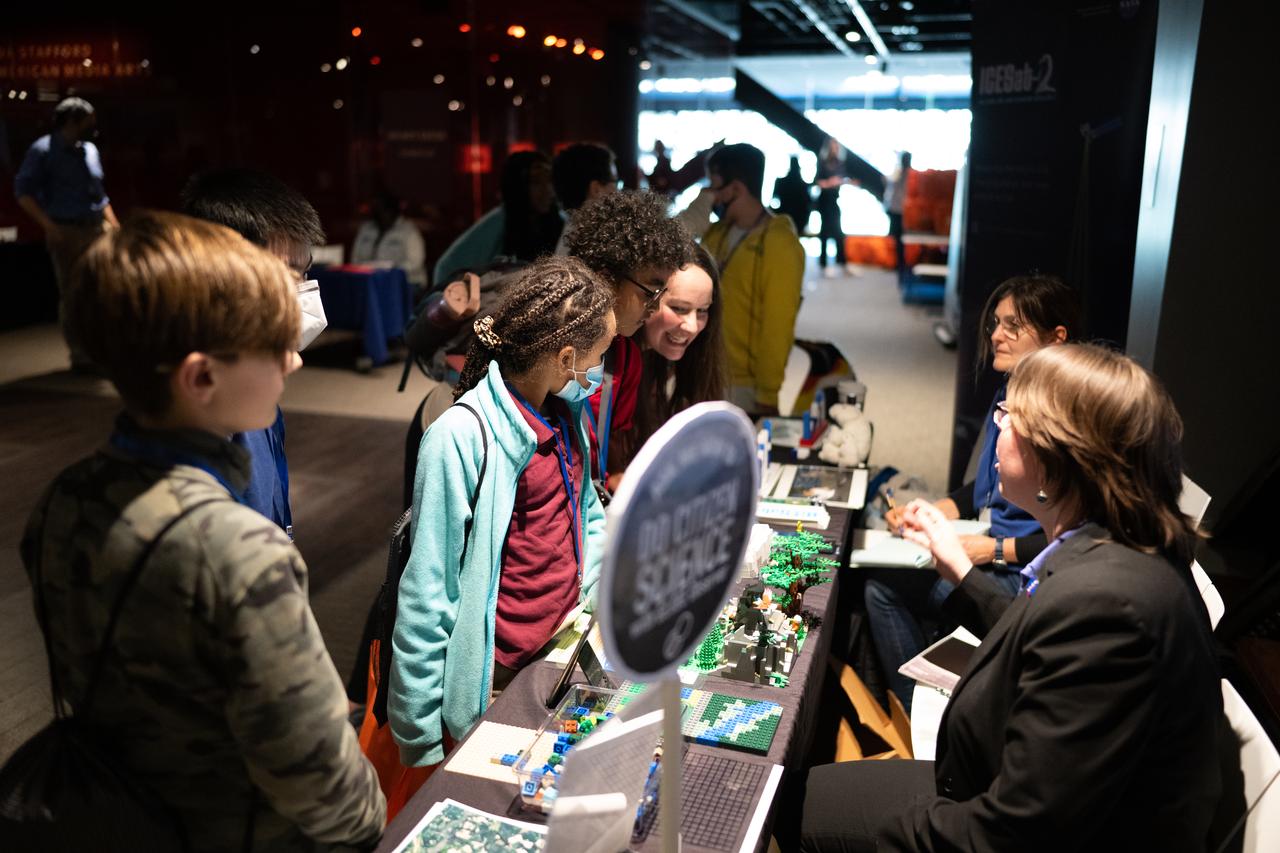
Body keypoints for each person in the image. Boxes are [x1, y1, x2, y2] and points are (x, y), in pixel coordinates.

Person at [21, 210, 385, 852]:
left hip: (113, 818)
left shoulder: (64, 497)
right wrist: (369, 825)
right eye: (274, 347)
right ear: (201, 377)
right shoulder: (238, 550)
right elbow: (314, 772)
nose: (294, 361)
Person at [796, 343, 1224, 852]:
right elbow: (1042, 622)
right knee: (811, 790)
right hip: (996, 787)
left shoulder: (1110, 609)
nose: (997, 427)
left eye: (1009, 415)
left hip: (1006, 820)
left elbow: (1011, 836)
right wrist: (959, 568)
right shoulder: (1113, 543)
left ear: (1057, 453)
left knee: (797, 808)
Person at [389, 255, 614, 769]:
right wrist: (420, 736)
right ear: (564, 357)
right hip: (497, 678)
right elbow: (428, 589)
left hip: (562, 647)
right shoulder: (460, 437)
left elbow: (585, 516)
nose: (600, 372)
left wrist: (596, 596)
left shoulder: (566, 409)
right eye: (598, 356)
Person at [869, 273, 1079, 711]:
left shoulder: (1062, 422)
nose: (996, 335)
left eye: (1012, 326)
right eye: (996, 323)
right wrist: (933, 509)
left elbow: (1070, 538)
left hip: (1021, 576)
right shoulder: (1010, 391)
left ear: (1056, 337)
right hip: (996, 551)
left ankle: (920, 718)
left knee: (883, 590)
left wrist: (990, 550)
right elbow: (988, 485)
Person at [181, 168, 328, 537]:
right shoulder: (201, 423)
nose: (293, 360)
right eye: (286, 274)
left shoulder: (256, 401)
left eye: (305, 273)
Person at [564, 190, 694, 489]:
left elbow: (612, 461)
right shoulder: (547, 349)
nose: (655, 306)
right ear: (606, 279)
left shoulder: (625, 357)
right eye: (650, 293)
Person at [14, 96, 120, 367]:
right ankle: (81, 355)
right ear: (72, 121)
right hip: (66, 230)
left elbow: (100, 195)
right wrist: (49, 226)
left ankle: (105, 349)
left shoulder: (90, 150)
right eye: (88, 120)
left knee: (104, 290)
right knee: (74, 293)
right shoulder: (43, 151)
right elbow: (23, 192)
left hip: (97, 228)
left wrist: (115, 226)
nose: (93, 125)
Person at [701, 143, 805, 416]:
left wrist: (768, 393)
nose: (709, 195)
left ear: (735, 189)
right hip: (708, 370)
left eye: (714, 185)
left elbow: (777, 324)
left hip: (745, 385)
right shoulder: (716, 233)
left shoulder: (779, 243)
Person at [630, 244, 727, 457]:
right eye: (679, 308)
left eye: (702, 310)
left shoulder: (687, 364)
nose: (692, 326)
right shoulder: (607, 367)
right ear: (646, 299)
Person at [433, 150, 562, 284]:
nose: (548, 190)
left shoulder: (560, 222)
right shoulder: (498, 224)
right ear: (517, 186)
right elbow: (447, 268)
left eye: (550, 182)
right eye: (536, 183)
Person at [551, 142, 618, 255]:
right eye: (615, 182)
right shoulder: (593, 249)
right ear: (596, 189)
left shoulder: (570, 238)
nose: (618, 192)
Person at [352, 190, 428, 289]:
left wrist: (390, 271)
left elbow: (415, 263)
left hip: (405, 283)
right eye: (376, 211)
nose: (381, 215)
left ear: (393, 210)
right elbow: (355, 259)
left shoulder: (408, 231)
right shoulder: (366, 229)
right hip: (370, 282)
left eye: (383, 210)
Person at [815, 139, 850, 276]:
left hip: (834, 200)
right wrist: (830, 183)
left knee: (838, 232)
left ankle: (842, 262)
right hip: (824, 201)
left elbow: (842, 179)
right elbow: (819, 182)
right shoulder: (822, 162)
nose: (834, 149)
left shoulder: (840, 164)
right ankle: (823, 264)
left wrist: (837, 182)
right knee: (824, 231)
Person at [884, 150, 912, 279]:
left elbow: (890, 181)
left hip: (898, 209)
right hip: (897, 208)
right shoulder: (905, 173)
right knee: (896, 238)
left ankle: (899, 263)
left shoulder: (903, 173)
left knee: (897, 238)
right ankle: (897, 263)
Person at [772, 155, 812, 236]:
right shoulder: (803, 185)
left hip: (785, 215)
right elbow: (808, 202)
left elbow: (775, 197)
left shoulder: (781, 182)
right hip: (799, 218)